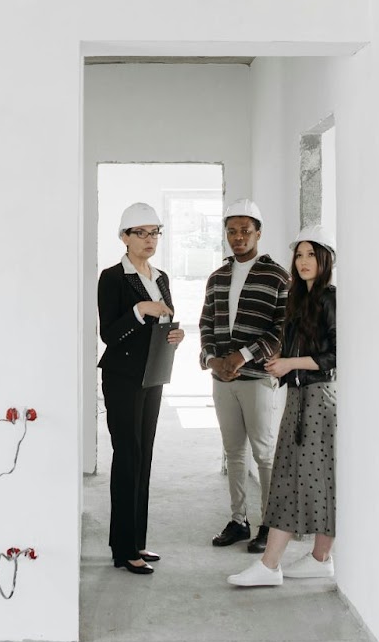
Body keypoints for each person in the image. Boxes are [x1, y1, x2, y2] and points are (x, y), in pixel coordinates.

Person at [228, 225, 338, 587]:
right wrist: (281, 359)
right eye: (300, 254)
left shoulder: (329, 299)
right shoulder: (299, 300)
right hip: (298, 397)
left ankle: (272, 563)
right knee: (305, 479)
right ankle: (318, 557)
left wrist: (291, 363)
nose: (304, 261)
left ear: (325, 259)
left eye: (311, 254)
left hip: (318, 400)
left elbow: (333, 356)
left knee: (298, 480)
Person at [97, 202, 185, 575]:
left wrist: (174, 334)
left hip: (152, 374)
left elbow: (165, 318)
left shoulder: (161, 276)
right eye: (141, 233)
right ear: (124, 237)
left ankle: (138, 541)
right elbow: (109, 334)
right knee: (128, 455)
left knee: (144, 456)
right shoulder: (113, 277)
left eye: (155, 233)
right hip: (121, 376)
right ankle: (123, 547)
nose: (150, 240)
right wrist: (139, 311)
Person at [198, 199, 289, 553]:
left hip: (256, 379)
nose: (238, 238)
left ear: (258, 233)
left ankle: (269, 524)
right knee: (233, 452)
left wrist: (243, 355)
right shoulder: (218, 277)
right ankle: (239, 521)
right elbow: (205, 324)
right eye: (232, 231)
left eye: (245, 231)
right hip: (223, 380)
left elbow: (283, 329)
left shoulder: (277, 276)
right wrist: (211, 360)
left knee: (264, 453)